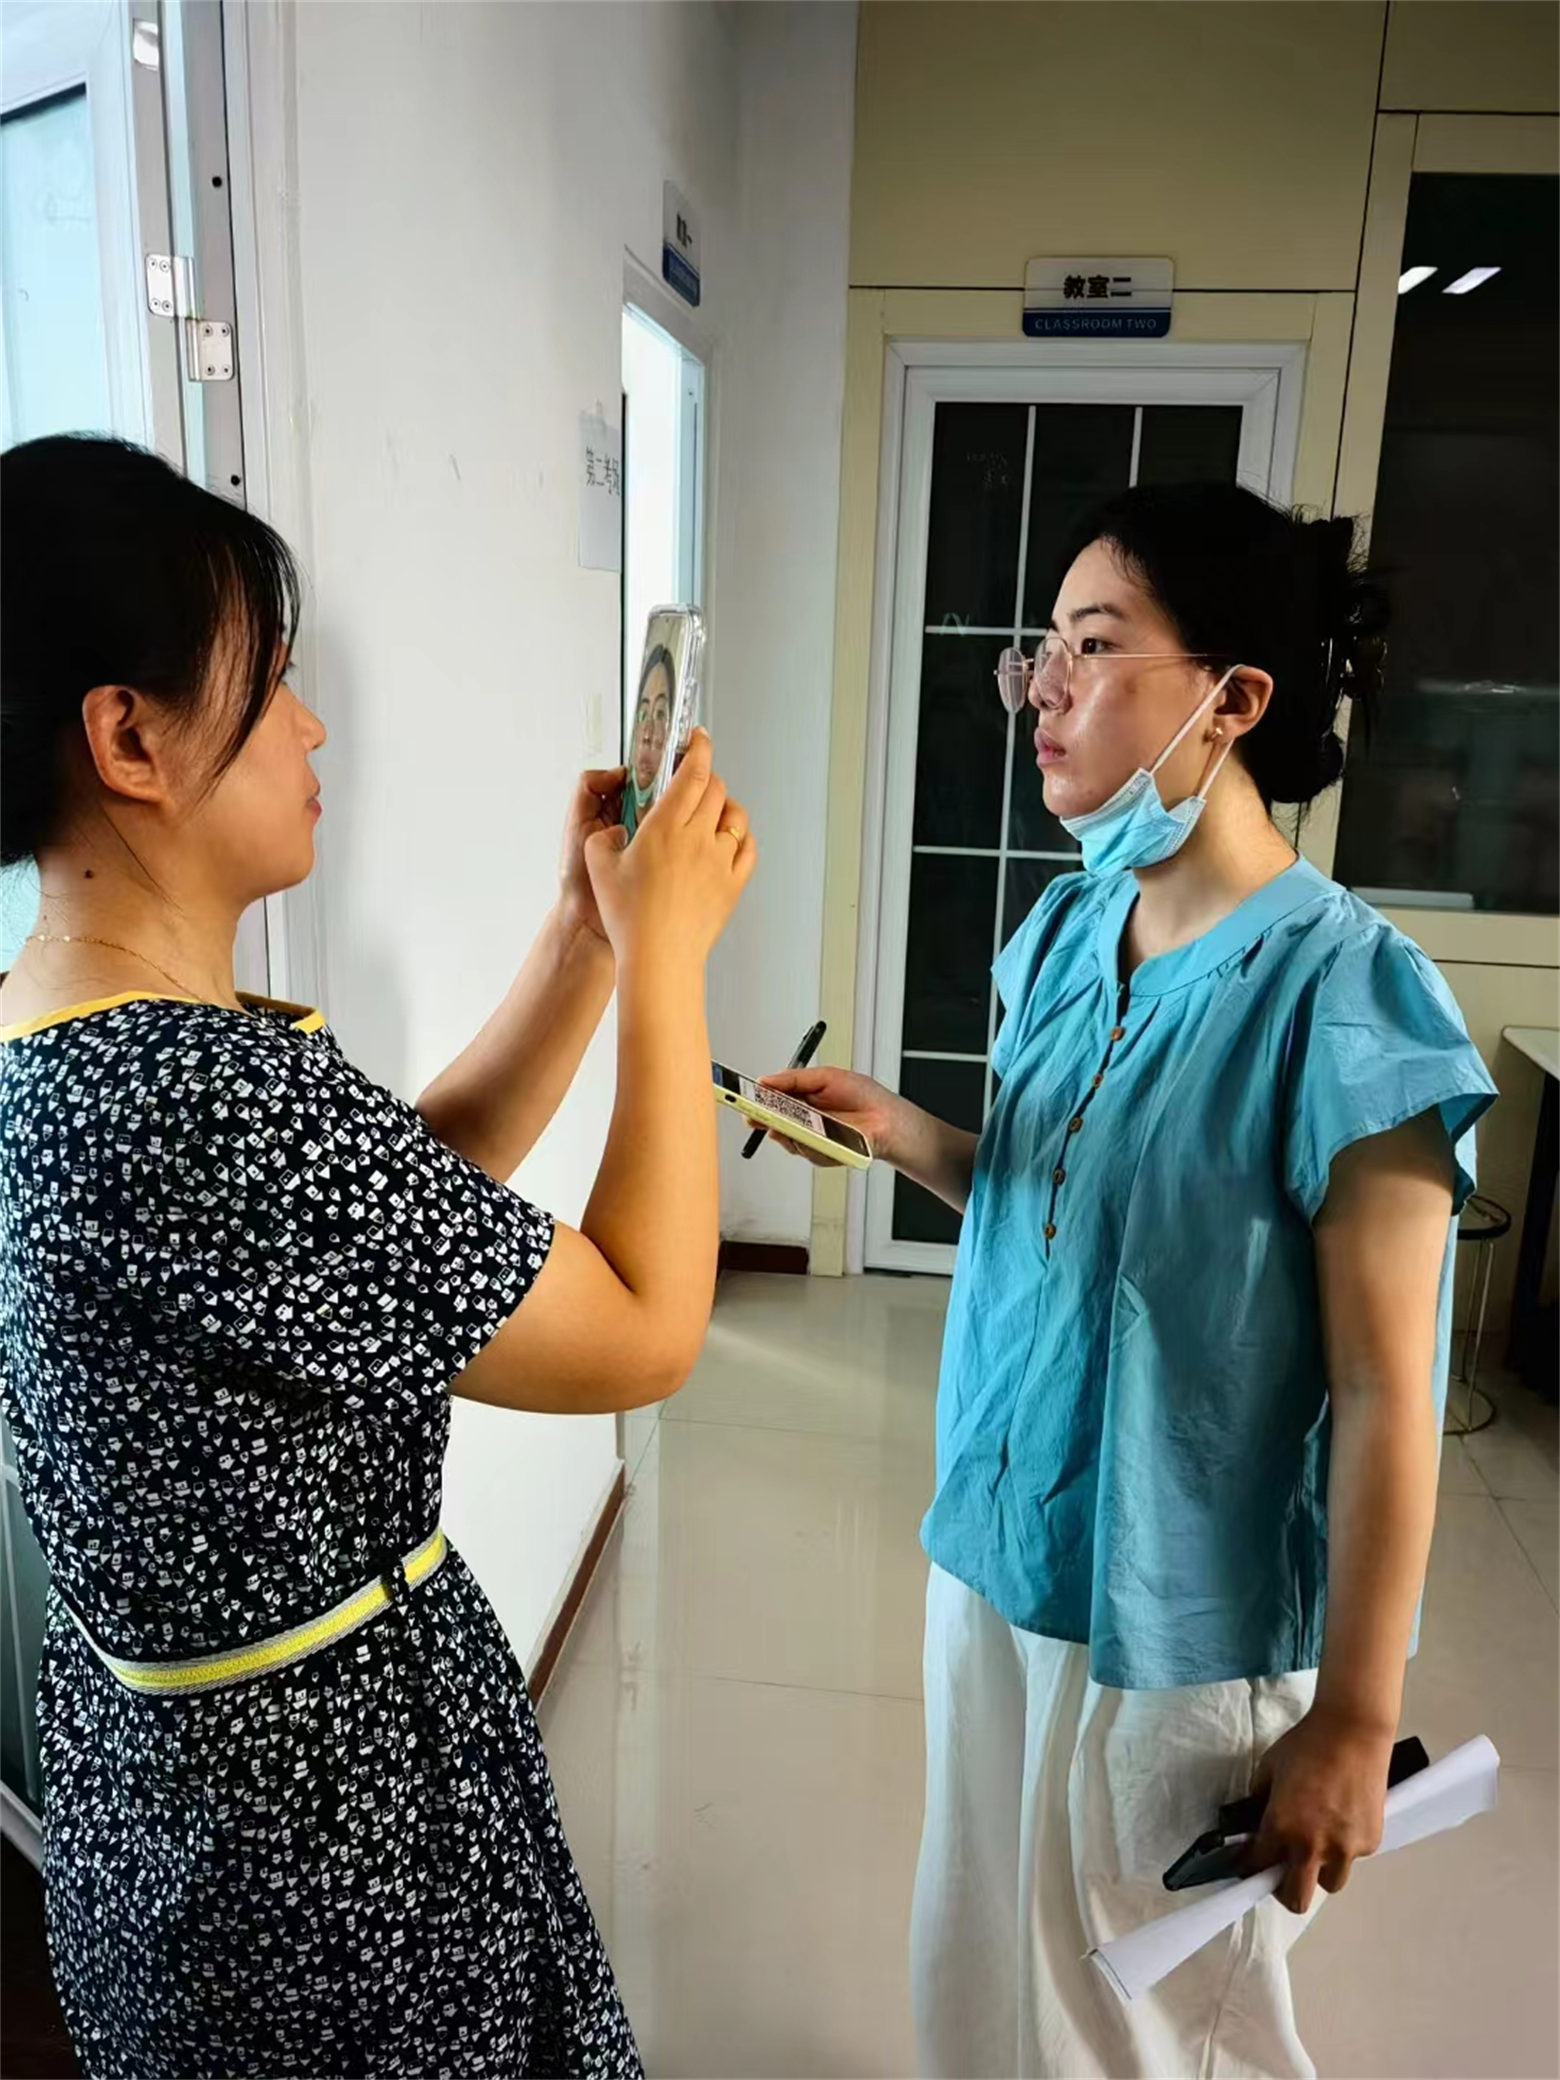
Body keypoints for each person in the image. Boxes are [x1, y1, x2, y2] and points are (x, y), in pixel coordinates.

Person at [0, 435, 756, 2079]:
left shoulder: (64, 1036)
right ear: (129, 739)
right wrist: (672, 960)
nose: (313, 727)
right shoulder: (199, 1097)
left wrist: (584, 933)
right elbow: (645, 1331)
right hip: (327, 1851)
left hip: (173, 1815)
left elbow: (376, 1220)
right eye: (271, 684)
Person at [762, 483, 1496, 2080]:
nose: (1043, 688)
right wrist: (903, 1133)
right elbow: (1066, 1207)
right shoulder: (1066, 929)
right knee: (985, 1961)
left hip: (1182, 1627)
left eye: (1093, 649)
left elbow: (1386, 1392)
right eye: (1041, 649)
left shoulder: (1347, 996)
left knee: (1156, 2024)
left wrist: (1355, 1717)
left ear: (1232, 700)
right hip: (1001, 1554)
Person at [622, 644, 676, 838]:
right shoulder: (615, 805)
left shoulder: (675, 817)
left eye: (660, 714)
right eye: (643, 714)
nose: (647, 734)